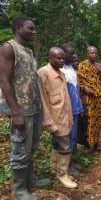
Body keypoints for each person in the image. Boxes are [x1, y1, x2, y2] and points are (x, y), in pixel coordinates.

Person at [0, 17, 50, 200]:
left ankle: (30, 180)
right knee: (20, 148)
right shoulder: (8, 48)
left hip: (34, 108)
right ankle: (19, 189)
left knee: (31, 147)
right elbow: (4, 81)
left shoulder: (28, 50)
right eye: (30, 28)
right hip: (21, 109)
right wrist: (15, 112)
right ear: (18, 27)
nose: (33, 31)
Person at [37, 47, 78, 188]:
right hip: (55, 119)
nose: (62, 61)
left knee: (58, 145)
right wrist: (49, 123)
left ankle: (56, 171)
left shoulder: (61, 73)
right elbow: (42, 101)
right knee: (65, 147)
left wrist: (70, 117)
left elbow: (65, 98)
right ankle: (62, 174)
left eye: (62, 58)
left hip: (65, 116)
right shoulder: (43, 74)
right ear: (50, 58)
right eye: (58, 58)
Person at [60, 43, 83, 175]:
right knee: (66, 139)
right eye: (70, 53)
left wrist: (79, 108)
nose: (73, 55)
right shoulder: (60, 70)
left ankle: (71, 163)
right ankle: (65, 167)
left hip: (75, 109)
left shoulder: (71, 68)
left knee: (73, 138)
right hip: (65, 111)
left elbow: (76, 89)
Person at [77, 46, 101, 151]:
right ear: (87, 54)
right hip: (88, 98)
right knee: (89, 121)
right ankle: (88, 144)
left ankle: (96, 142)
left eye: (95, 53)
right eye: (92, 53)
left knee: (97, 120)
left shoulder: (99, 66)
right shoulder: (82, 65)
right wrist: (85, 88)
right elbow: (80, 81)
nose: (94, 55)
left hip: (98, 98)